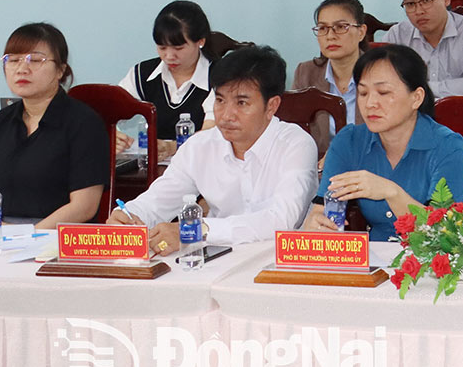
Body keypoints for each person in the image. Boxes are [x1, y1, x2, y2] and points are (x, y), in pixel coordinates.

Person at [112, 45, 315, 254]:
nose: (226, 115)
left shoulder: (296, 145)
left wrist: (198, 230)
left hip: (278, 260)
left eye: (241, 103)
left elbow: (281, 220)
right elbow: (158, 201)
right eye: (220, 100)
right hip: (216, 259)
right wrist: (128, 215)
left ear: (271, 106)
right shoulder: (199, 147)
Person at [302, 44, 463, 242]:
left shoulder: (448, 146)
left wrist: (391, 193)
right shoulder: (349, 141)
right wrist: (317, 223)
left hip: (430, 256)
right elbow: (324, 210)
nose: (370, 103)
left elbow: (445, 233)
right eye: (363, 93)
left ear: (416, 98)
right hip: (375, 253)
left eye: (383, 92)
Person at [0, 23, 106, 229]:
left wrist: (28, 236)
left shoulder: (84, 123)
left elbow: (84, 206)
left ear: (60, 70)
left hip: (56, 235)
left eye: (35, 60)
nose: (22, 69)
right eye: (13, 60)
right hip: (0, 233)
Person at [116, 0, 216, 150]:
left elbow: (212, 132)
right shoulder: (142, 74)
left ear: (200, 41)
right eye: (162, 48)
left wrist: (172, 147)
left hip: (202, 161)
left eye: (178, 48)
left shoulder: (221, 76)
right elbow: (109, 111)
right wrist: (111, 134)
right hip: (153, 163)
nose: (169, 56)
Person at [292, 0, 370, 155]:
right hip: (318, 164)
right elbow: (293, 130)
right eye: (322, 28)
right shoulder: (305, 73)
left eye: (340, 27)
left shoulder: (381, 73)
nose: (330, 36)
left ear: (361, 32)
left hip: (369, 162)